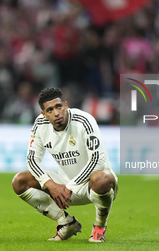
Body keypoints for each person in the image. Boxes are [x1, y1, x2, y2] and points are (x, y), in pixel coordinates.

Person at [12, 87, 118, 242]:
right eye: (50, 110)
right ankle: (66, 223)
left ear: (66, 105)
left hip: (92, 185)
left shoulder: (84, 120)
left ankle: (99, 226)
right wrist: (50, 184)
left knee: (103, 178)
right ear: (44, 114)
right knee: (20, 181)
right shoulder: (40, 124)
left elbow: (97, 160)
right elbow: (32, 159)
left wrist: (70, 187)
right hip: (63, 187)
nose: (56, 113)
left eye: (59, 106)